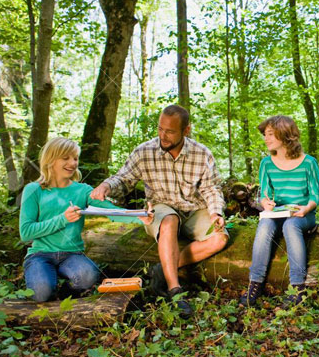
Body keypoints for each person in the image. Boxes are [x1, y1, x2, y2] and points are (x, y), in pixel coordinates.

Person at [91, 104, 227, 316]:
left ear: (186, 130)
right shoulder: (144, 152)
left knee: (220, 238)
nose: (163, 135)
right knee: (169, 220)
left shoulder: (202, 154)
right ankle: (175, 290)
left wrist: (215, 212)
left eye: (170, 131)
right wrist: (106, 186)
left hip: (194, 210)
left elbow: (211, 189)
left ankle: (161, 269)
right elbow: (123, 179)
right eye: (160, 129)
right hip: (162, 210)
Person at [20, 137, 153, 303]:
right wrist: (63, 219)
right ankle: (46, 287)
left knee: (88, 276)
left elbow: (110, 211)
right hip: (40, 255)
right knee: (41, 294)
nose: (73, 163)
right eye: (66, 158)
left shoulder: (82, 190)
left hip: (71, 255)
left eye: (75, 158)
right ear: (51, 159)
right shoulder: (34, 190)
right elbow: (26, 233)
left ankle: (65, 295)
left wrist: (139, 217)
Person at [239, 116, 319, 307]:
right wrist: (266, 203)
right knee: (265, 223)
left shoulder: (309, 162)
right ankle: (255, 284)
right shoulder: (266, 164)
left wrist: (306, 208)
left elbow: (316, 196)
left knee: (292, 225)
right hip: (277, 213)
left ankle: (297, 287)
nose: (266, 139)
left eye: (270, 134)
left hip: (303, 215)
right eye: (265, 135)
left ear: (284, 135)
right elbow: (264, 194)